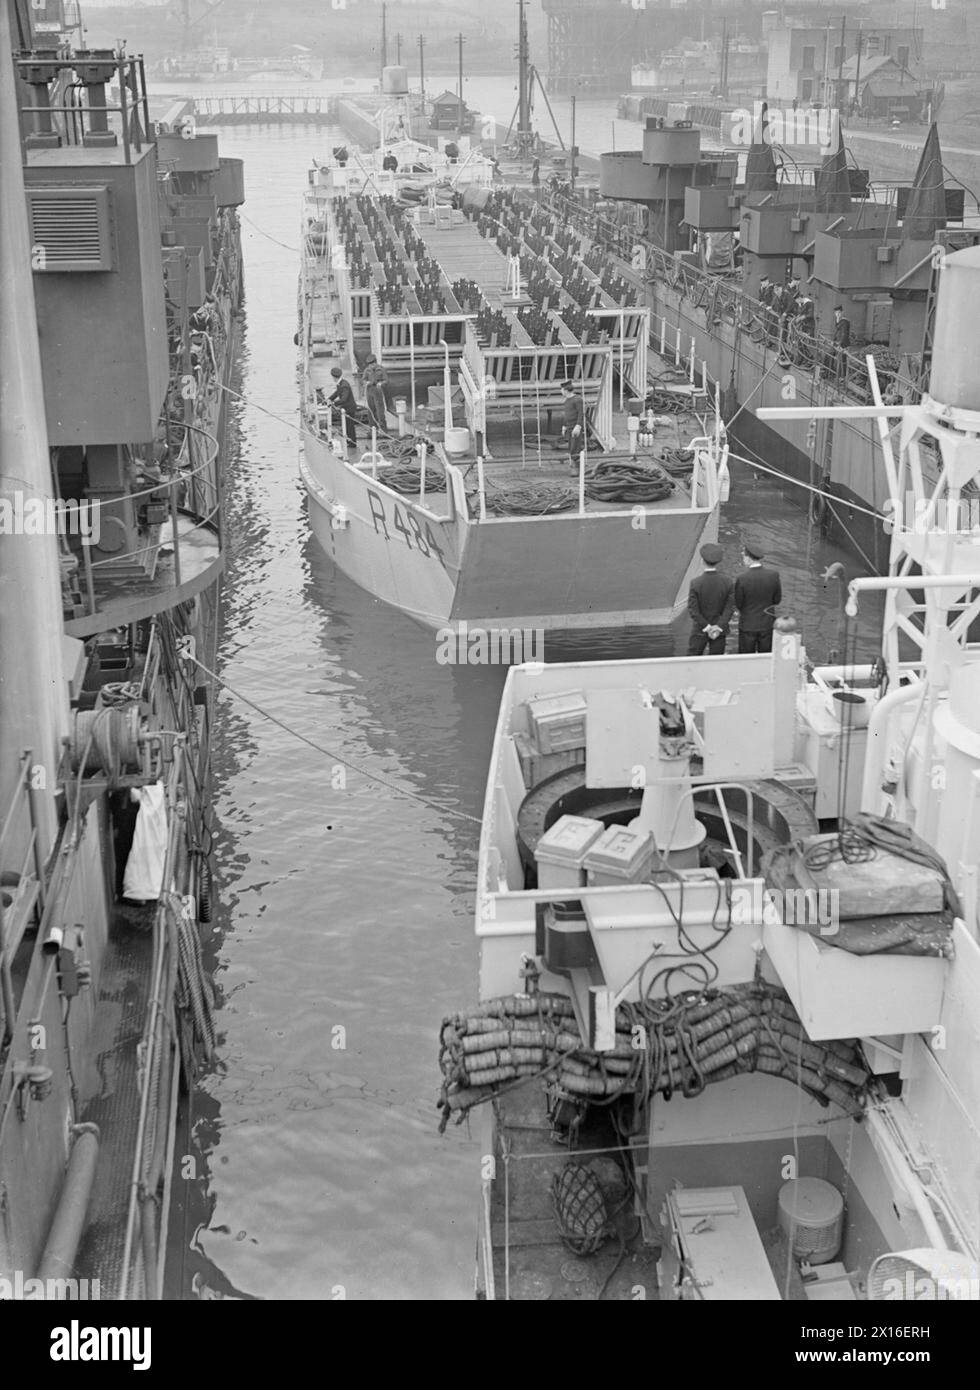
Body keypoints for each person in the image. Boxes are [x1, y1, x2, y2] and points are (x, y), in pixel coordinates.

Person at [733, 539, 782, 653]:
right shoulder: (773, 575)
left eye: (744, 557)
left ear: (749, 558)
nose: (743, 559)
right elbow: (777, 600)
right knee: (765, 658)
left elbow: (738, 603)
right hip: (767, 625)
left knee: (745, 659)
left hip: (747, 625)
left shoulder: (742, 578)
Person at [687, 543, 734, 656]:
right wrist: (718, 626)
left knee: (692, 661)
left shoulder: (696, 583)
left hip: (700, 629)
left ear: (703, 561)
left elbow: (693, 610)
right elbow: (730, 608)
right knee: (716, 663)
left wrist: (707, 627)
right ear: (718, 561)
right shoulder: (728, 582)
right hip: (719, 631)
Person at [327, 366, 358, 449]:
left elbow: (344, 399)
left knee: (350, 426)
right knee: (347, 426)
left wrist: (333, 403)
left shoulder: (344, 385)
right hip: (346, 408)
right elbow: (337, 392)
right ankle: (349, 441)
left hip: (349, 408)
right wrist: (329, 399)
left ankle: (352, 443)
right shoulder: (341, 383)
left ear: (333, 377)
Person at [559, 381, 584, 462]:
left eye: (561, 389)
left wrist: (578, 426)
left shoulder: (577, 400)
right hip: (569, 426)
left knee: (575, 445)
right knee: (571, 444)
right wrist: (564, 426)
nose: (561, 391)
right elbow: (566, 414)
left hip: (575, 426)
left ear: (566, 390)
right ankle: (572, 459)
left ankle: (576, 463)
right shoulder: (567, 400)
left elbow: (581, 413)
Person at [362, 355, 388, 432]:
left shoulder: (381, 369)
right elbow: (363, 380)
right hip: (369, 391)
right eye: (369, 364)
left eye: (372, 364)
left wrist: (381, 383)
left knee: (380, 411)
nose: (371, 366)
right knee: (370, 411)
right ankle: (373, 429)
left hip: (378, 391)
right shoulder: (367, 370)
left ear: (375, 362)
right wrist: (366, 382)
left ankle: (383, 430)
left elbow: (386, 380)